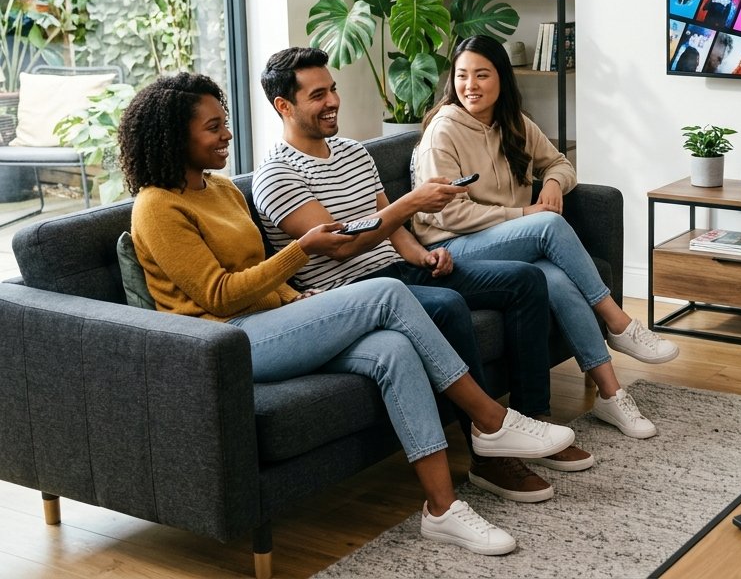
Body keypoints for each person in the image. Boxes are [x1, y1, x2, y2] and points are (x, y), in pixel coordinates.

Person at [119, 72, 576, 556]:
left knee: (394, 350)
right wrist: (301, 252)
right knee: (385, 294)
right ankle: (492, 420)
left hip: (272, 323)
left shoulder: (222, 190)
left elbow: (256, 275)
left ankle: (442, 510)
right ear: (175, 136)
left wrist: (299, 301)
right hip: (225, 344)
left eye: (225, 122)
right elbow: (220, 296)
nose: (227, 134)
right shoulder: (156, 207)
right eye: (213, 128)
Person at [252, 47, 589, 504]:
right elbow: (345, 244)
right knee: (449, 308)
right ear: (284, 106)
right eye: (318, 95)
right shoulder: (277, 173)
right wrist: (410, 204)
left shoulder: (352, 151)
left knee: (524, 281)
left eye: (332, 89)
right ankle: (490, 458)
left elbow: (388, 227)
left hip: (399, 271)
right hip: (350, 295)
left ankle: (532, 420)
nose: (333, 101)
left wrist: (420, 256)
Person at [413, 36, 681, 440]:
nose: (471, 85)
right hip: (450, 246)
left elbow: (559, 162)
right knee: (549, 226)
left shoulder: (514, 122)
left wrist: (554, 182)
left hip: (504, 240)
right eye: (462, 75)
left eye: (482, 75)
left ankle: (611, 394)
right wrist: (525, 214)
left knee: (556, 280)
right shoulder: (444, 131)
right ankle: (619, 323)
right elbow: (448, 212)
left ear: (502, 78)